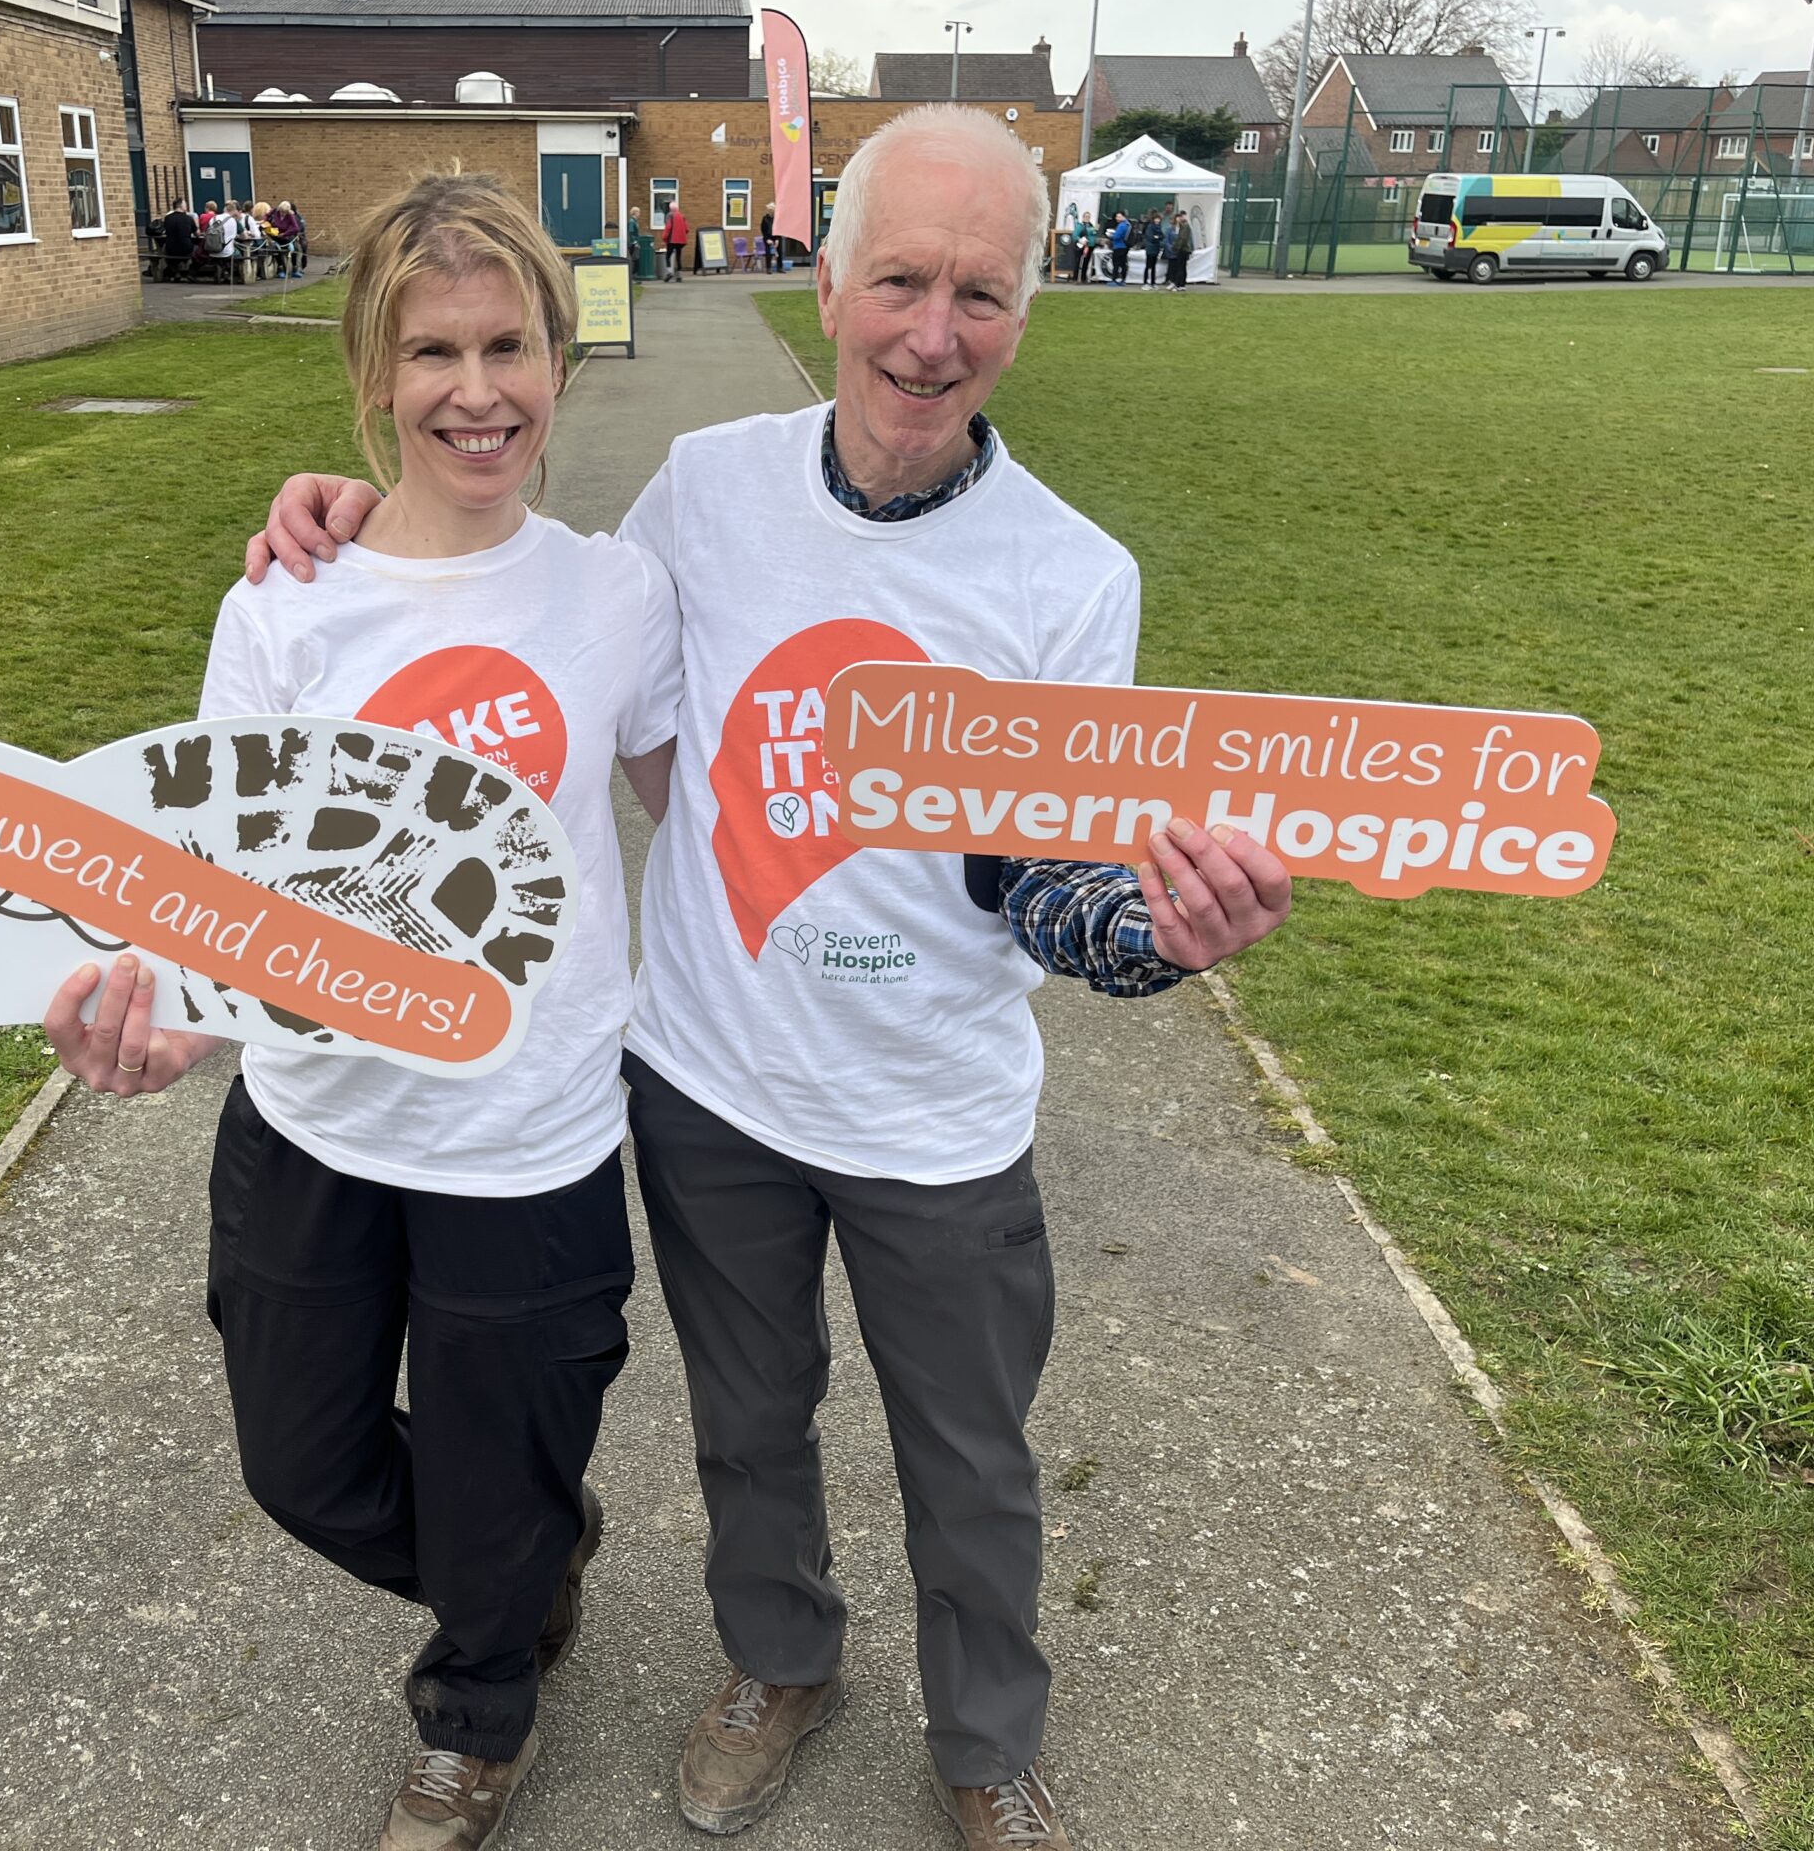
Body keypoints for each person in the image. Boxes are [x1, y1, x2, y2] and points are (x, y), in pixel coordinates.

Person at [245, 104, 1290, 1851]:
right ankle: (778, 1660)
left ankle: (987, 1746)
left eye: (981, 294)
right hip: (711, 1085)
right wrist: (340, 512)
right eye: (898, 280)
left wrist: (1151, 937)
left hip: (933, 1112)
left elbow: (1044, 873)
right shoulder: (707, 492)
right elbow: (533, 625)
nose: (930, 335)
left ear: (1030, 310)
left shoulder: (1067, 575)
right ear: (827, 280)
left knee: (970, 1462)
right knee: (750, 1428)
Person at [50, 168, 682, 1851]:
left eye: (508, 345)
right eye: (432, 355)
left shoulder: (617, 595)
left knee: (495, 1475)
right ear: (371, 376)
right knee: (303, 1467)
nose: (475, 392)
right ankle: (521, 1554)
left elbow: (704, 803)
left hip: (526, 1136)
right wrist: (171, 1017)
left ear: (561, 351)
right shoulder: (287, 603)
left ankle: (480, 1704)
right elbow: (209, 880)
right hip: (319, 1124)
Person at [663, 200, 691, 281]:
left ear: (670, 208)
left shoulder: (670, 216)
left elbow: (668, 227)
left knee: (668, 256)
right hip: (681, 241)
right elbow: (686, 229)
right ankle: (679, 275)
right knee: (678, 256)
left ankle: (669, 273)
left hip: (672, 240)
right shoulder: (682, 216)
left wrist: (664, 237)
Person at [1166, 208, 1192, 291]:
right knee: (1182, 268)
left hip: (1182, 250)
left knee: (1180, 268)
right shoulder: (1183, 226)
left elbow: (1182, 239)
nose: (1180, 218)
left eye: (1182, 216)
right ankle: (1181, 285)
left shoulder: (1185, 226)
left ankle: (1179, 285)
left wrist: (1176, 248)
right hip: (1183, 249)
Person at [1105, 211, 1130, 285]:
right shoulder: (1128, 224)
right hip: (1125, 246)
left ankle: (1114, 280)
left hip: (1119, 246)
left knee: (1116, 263)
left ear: (1123, 217)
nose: (1117, 218)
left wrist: (1110, 235)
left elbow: (1116, 236)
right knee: (1123, 264)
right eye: (1116, 217)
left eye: (1119, 217)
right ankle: (1123, 280)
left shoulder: (1122, 225)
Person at [1140, 209, 1164, 288]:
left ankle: (1153, 282)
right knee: (1148, 266)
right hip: (1150, 249)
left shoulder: (1158, 227)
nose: (1157, 220)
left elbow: (1162, 236)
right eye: (1156, 219)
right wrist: (1157, 237)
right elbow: (1151, 237)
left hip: (1156, 249)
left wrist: (1157, 237)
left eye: (1159, 219)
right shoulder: (1150, 226)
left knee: (1154, 266)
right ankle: (1145, 282)